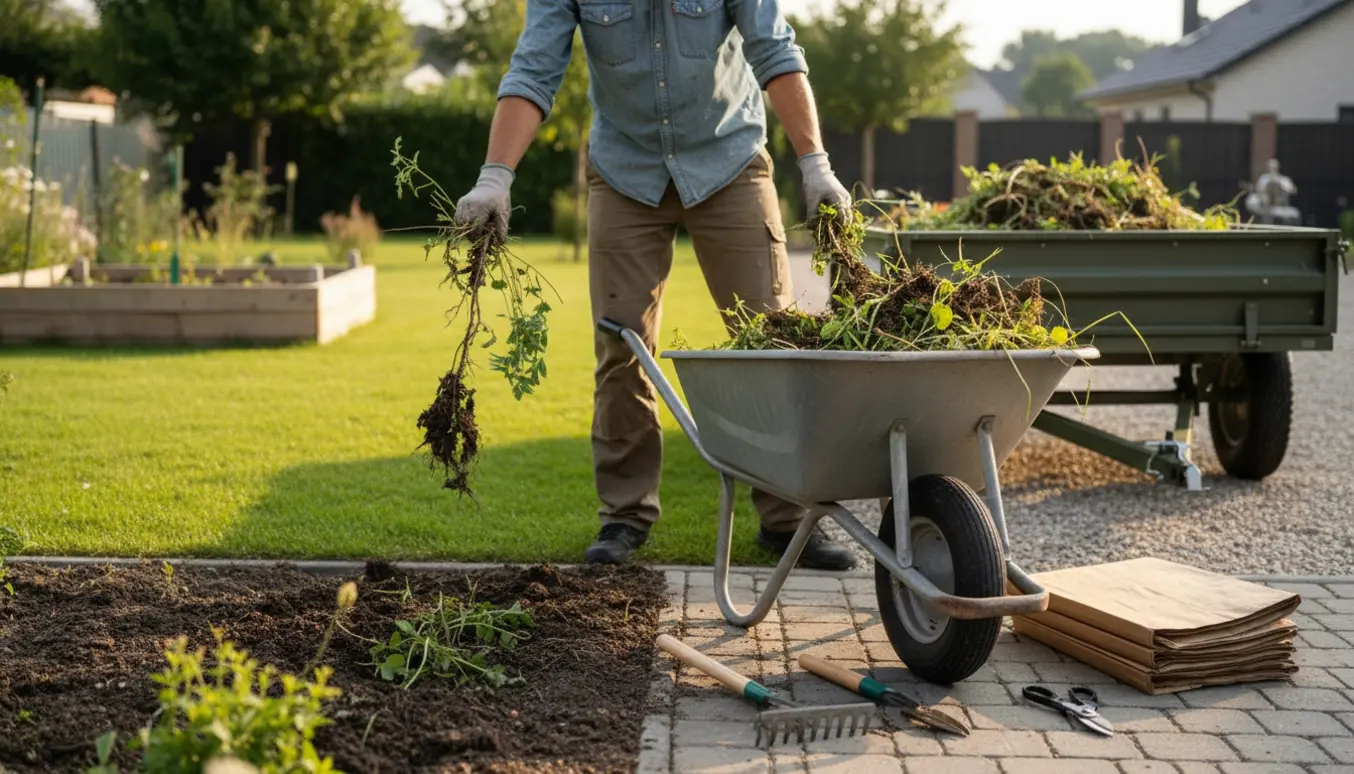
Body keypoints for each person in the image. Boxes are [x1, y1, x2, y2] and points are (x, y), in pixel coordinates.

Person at [453, 0, 858, 571]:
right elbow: (534, 69)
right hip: (626, 172)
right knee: (621, 346)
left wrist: (814, 162)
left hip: (729, 159)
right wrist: (495, 176)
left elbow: (774, 50)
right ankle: (625, 514)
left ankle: (789, 518)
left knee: (773, 340)